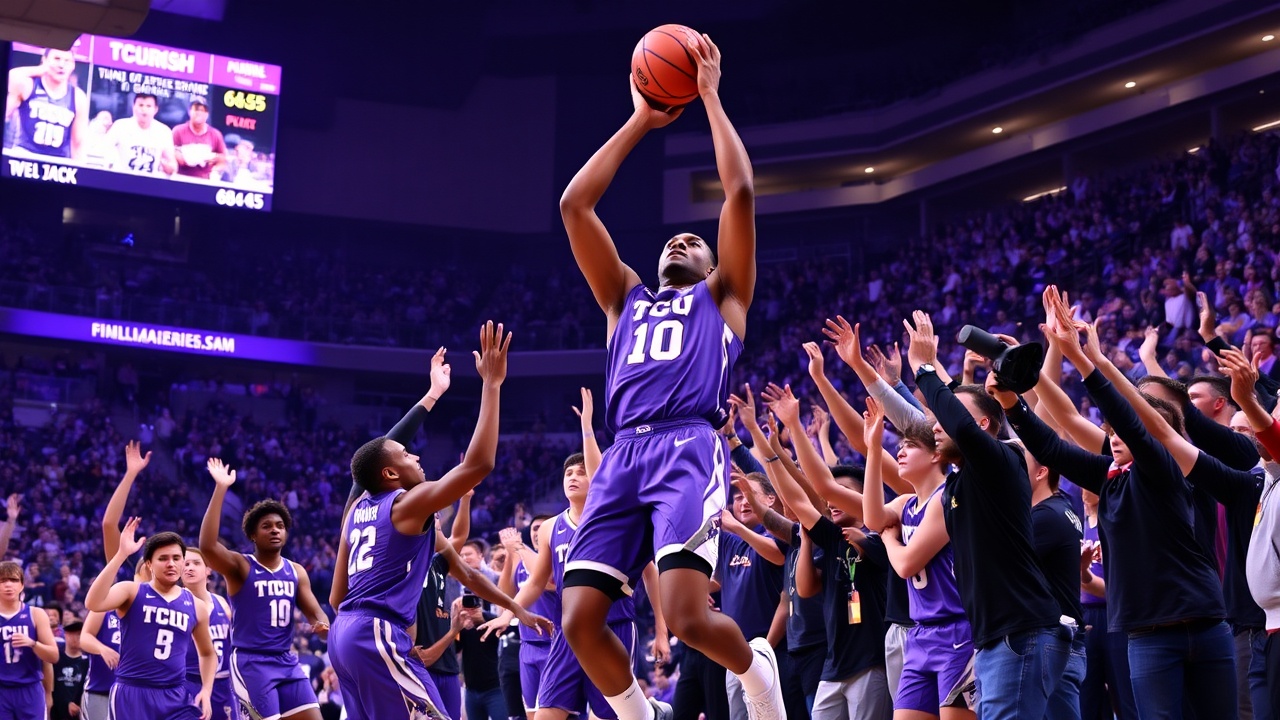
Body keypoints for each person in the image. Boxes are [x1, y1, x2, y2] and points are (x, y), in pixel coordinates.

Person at [557, 32, 783, 720]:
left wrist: (709, 96)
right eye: (670, 240)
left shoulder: (724, 297)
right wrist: (640, 120)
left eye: (694, 241)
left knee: (686, 619)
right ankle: (638, 714)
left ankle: (757, 671)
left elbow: (739, 190)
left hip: (688, 446)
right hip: (624, 452)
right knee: (578, 621)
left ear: (714, 265)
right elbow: (574, 206)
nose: (680, 240)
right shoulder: (622, 299)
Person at [329, 324, 551, 720]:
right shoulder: (406, 504)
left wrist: (515, 609)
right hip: (376, 635)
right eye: (406, 456)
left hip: (343, 637)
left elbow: (468, 575)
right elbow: (478, 464)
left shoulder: (356, 512)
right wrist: (492, 386)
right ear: (390, 475)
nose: (416, 457)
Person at [899, 310, 1068, 719]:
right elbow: (958, 411)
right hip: (996, 636)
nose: (935, 427)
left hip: (1020, 633)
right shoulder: (960, 480)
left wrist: (923, 367)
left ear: (983, 425)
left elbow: (961, 421)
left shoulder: (1001, 461)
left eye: (945, 420)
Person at [861, 398, 976, 720]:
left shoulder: (946, 498)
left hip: (957, 632)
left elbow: (905, 564)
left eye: (910, 446)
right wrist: (873, 450)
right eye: (900, 446)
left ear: (936, 454)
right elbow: (872, 518)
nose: (900, 451)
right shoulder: (906, 503)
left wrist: (889, 538)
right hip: (920, 634)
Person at [199, 458, 331, 720]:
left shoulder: (296, 571)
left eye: (280, 526)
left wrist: (323, 626)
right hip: (251, 663)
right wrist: (221, 488)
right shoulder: (241, 566)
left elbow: (315, 613)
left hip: (286, 661)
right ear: (253, 534)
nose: (274, 530)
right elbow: (207, 546)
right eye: (267, 526)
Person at [83, 519, 217, 720]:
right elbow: (93, 602)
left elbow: (207, 653)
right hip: (133, 691)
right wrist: (121, 555)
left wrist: (206, 690)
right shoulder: (131, 591)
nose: (171, 563)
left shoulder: (196, 606)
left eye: (176, 558)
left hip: (175, 694)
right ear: (149, 564)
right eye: (163, 558)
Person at [0, 560, 60, 720]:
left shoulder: (36, 614)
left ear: (22, 585)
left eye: (13, 580)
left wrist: (32, 643)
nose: (8, 585)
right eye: (2, 580)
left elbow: (53, 656)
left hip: (30, 688)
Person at [3, 48, 87, 159]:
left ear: (73, 65)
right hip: (24, 155)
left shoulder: (78, 97)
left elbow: (78, 143)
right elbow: (11, 76)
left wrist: (79, 167)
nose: (61, 65)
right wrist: (41, 69)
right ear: (45, 60)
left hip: (57, 161)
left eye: (67, 61)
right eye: (57, 59)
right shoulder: (29, 85)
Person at [181, 549, 233, 720]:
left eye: (196, 563)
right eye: (185, 564)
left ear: (208, 569)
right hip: (190, 682)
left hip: (223, 683)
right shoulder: (175, 603)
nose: (189, 568)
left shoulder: (221, 602)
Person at [105, 93, 176, 175]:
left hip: (150, 181)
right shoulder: (120, 126)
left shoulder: (164, 131)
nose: (144, 110)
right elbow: (104, 150)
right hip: (122, 179)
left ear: (156, 109)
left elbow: (173, 165)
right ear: (133, 107)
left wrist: (168, 168)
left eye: (148, 106)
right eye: (141, 105)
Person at [172, 97, 227, 180]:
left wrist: (214, 170)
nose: (199, 113)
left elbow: (223, 159)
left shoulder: (215, 134)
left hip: (204, 181)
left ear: (207, 114)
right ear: (189, 111)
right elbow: (169, 153)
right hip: (180, 178)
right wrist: (185, 157)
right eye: (196, 109)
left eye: (202, 110)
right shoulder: (178, 131)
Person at [50, 620, 90, 720]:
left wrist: (77, 703)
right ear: (66, 635)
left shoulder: (87, 662)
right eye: (73, 634)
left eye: (80, 634)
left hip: (78, 712)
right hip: (56, 712)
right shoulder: (55, 659)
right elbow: (52, 687)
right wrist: (66, 703)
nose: (77, 637)